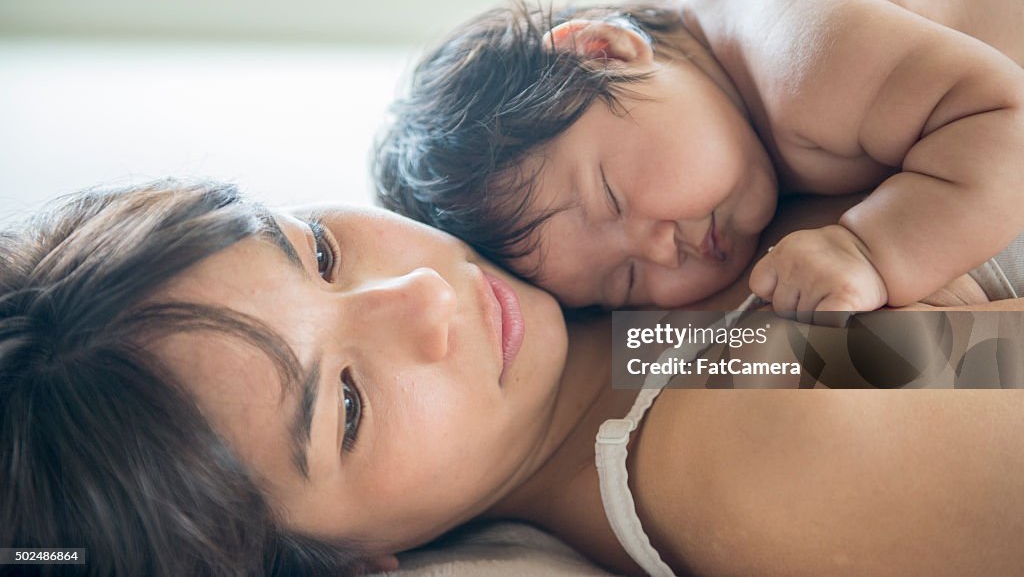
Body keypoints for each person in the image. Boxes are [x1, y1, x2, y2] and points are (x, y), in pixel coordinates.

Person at [3, 178, 1022, 576]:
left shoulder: (625, 341)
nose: (420, 296)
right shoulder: (734, 440)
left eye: (317, 251)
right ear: (357, 566)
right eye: (347, 405)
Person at [374, 0, 1024, 321]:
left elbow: (1007, 123)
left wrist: (874, 251)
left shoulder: (804, 55)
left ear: (604, 49)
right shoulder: (730, 111)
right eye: (623, 282)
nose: (661, 250)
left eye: (612, 197)